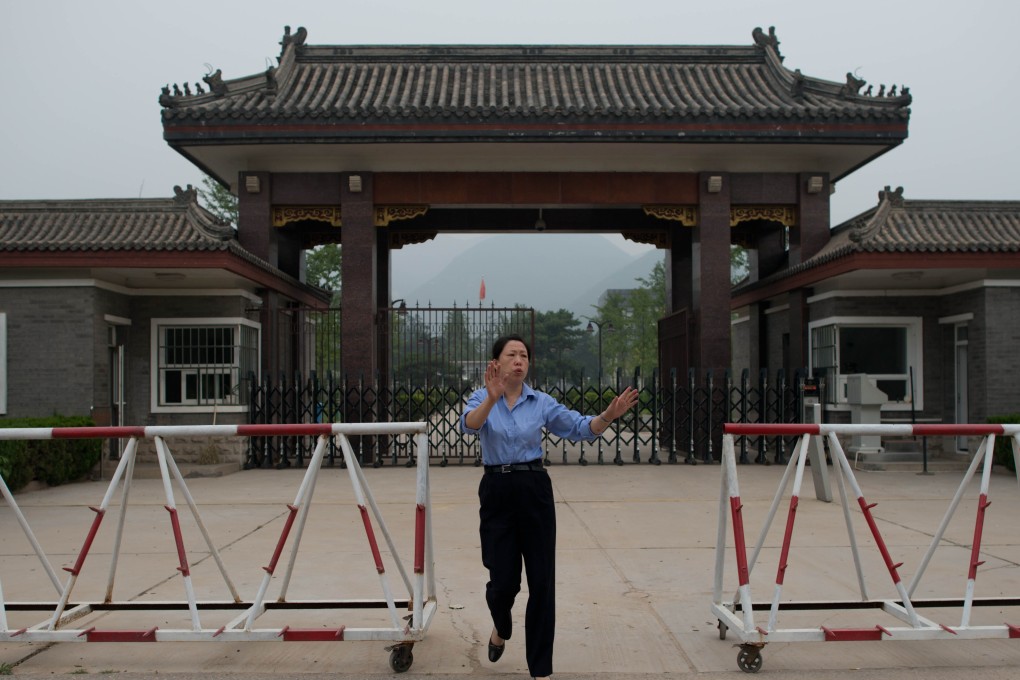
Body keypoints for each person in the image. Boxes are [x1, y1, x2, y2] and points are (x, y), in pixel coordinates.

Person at [459, 333, 639, 680]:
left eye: (524, 355)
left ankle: (540, 669)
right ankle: (501, 626)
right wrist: (492, 399)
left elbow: (578, 428)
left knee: (542, 582)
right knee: (502, 582)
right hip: (497, 490)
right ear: (495, 362)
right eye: (512, 354)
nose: (519, 360)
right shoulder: (481, 397)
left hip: (534, 490)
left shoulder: (540, 402)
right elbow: (469, 426)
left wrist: (608, 415)